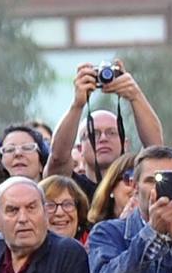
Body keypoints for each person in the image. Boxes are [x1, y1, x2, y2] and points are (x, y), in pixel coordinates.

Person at [45, 61, 163, 197]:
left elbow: (156, 150)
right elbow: (58, 158)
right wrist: (77, 105)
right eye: (93, 134)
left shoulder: (135, 185)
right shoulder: (72, 187)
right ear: (79, 149)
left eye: (112, 133)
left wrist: (135, 95)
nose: (103, 138)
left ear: (125, 143)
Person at [88, 152, 138, 227]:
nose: (137, 187)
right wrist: (123, 223)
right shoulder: (98, 231)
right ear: (112, 186)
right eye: (129, 178)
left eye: (147, 180)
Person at [39, 175, 90, 242]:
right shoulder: (25, 250)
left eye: (68, 204)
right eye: (50, 205)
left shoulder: (96, 246)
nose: (60, 213)